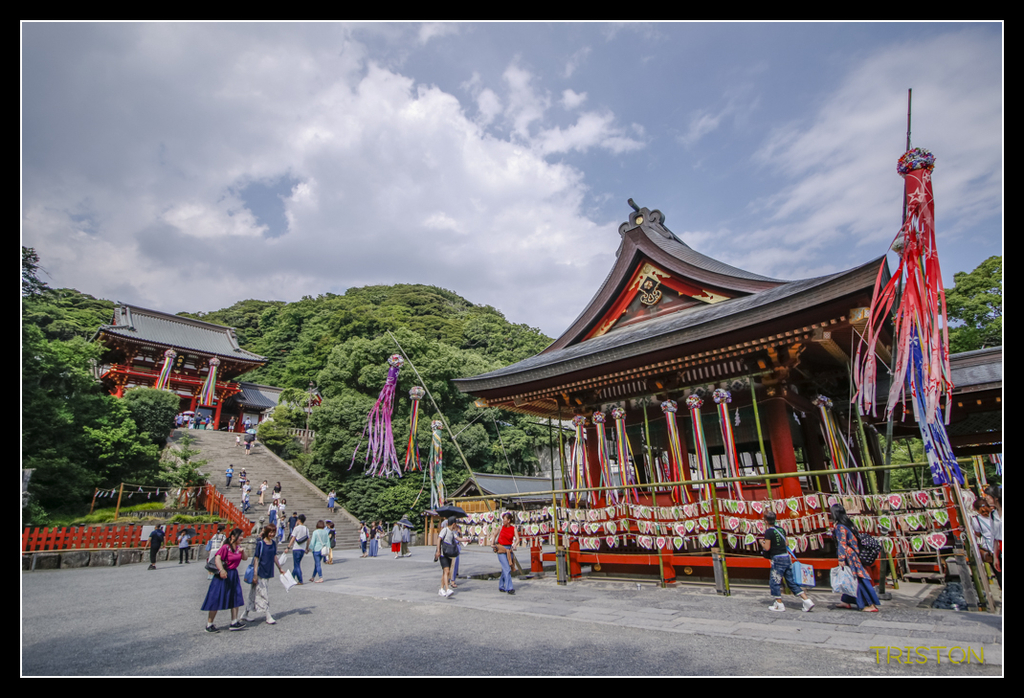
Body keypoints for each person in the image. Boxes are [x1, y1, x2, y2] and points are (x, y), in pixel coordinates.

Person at [759, 512, 814, 612]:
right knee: (791, 581)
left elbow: (767, 547)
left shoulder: (769, 532)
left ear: (766, 521)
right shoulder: (781, 530)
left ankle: (779, 604)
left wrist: (761, 543)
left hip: (777, 559)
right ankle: (807, 600)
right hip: (786, 557)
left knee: (775, 581)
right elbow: (787, 543)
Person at [830, 504, 880, 612]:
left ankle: (869, 604)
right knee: (850, 576)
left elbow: (842, 543)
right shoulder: (848, 524)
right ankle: (846, 601)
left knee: (857, 578)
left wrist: (841, 559)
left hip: (849, 555)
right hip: (853, 553)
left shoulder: (840, 527)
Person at [201, 528, 248, 632]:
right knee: (216, 597)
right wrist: (221, 570)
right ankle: (209, 624)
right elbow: (217, 558)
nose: (242, 538)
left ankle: (234, 621)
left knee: (235, 596)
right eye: (240, 535)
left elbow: (245, 558)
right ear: (232, 536)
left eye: (242, 535)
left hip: (233, 574)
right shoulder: (225, 547)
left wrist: (243, 551)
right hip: (224, 574)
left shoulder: (238, 548)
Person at [243, 524, 286, 625]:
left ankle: (245, 613)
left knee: (253, 593)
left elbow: (274, 556)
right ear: (266, 532)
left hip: (268, 570)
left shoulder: (273, 543)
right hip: (260, 572)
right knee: (263, 593)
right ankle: (267, 614)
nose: (271, 534)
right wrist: (255, 574)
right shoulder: (261, 544)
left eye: (273, 532)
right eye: (270, 532)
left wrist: (280, 568)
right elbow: (256, 559)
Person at [490, 512, 519, 595]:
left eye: (505, 519)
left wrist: (515, 545)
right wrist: (492, 543)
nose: (503, 521)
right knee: (506, 568)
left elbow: (517, 539)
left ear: (509, 520)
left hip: (509, 550)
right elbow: (494, 535)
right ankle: (509, 588)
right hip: (501, 549)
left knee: (505, 569)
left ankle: (501, 585)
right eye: (503, 519)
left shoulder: (513, 529)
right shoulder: (500, 527)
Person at [435, 517, 459, 597]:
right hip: (443, 553)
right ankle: (447, 589)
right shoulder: (444, 530)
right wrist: (438, 550)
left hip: (449, 553)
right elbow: (439, 539)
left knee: (445, 572)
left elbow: (457, 538)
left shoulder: (452, 532)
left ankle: (441, 589)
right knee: (447, 571)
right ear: (454, 524)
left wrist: (466, 540)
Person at [287, 514, 310, 585]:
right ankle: (291, 578)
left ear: (299, 520)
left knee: (296, 565)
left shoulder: (296, 528)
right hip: (302, 549)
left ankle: (300, 580)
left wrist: (288, 547)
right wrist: (307, 548)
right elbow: (308, 539)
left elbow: (293, 538)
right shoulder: (306, 528)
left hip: (296, 548)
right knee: (297, 564)